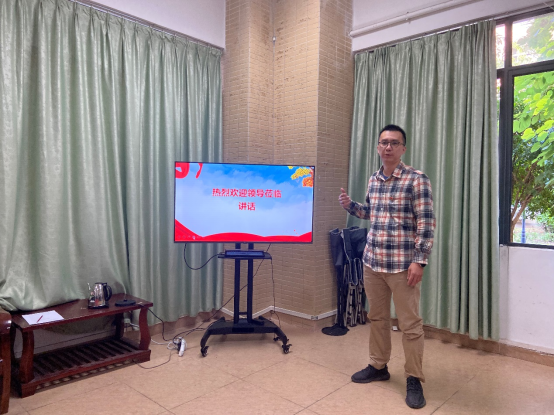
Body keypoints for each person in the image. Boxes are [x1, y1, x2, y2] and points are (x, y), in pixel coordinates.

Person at [339, 124, 436, 409]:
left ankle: (414, 378)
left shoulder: (417, 179)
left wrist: (419, 260)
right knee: (378, 318)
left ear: (403, 148)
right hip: (373, 262)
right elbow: (372, 213)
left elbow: (426, 223)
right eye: (384, 142)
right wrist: (350, 205)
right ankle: (378, 366)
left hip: (403, 265)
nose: (388, 147)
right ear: (378, 147)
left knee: (410, 325)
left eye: (394, 143)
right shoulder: (374, 179)